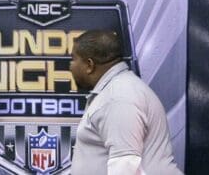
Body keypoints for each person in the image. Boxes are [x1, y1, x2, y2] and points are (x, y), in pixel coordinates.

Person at [70, 30, 183, 174]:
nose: (70, 66)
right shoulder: (117, 91)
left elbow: (125, 166)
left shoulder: (118, 98)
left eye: (73, 59)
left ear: (89, 65)